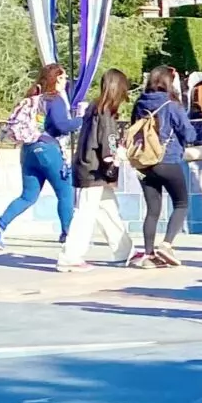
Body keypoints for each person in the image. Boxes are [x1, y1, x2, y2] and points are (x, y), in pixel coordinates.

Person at [0, 63, 76, 251]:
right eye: (64, 77)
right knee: (65, 191)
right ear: (58, 78)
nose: (66, 81)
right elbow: (62, 126)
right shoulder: (55, 99)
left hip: (28, 151)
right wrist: (80, 120)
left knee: (28, 196)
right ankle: (69, 235)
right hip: (48, 150)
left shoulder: (33, 99)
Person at [59, 70, 134, 270]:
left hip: (89, 167)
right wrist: (115, 159)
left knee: (108, 210)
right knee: (85, 213)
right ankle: (70, 256)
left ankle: (124, 251)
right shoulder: (105, 112)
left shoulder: (95, 107)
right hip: (93, 170)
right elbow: (106, 143)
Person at [127, 67, 200, 268]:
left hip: (143, 163)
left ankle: (148, 255)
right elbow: (189, 133)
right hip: (167, 160)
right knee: (181, 203)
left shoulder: (140, 102)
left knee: (152, 210)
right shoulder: (171, 104)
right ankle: (166, 245)